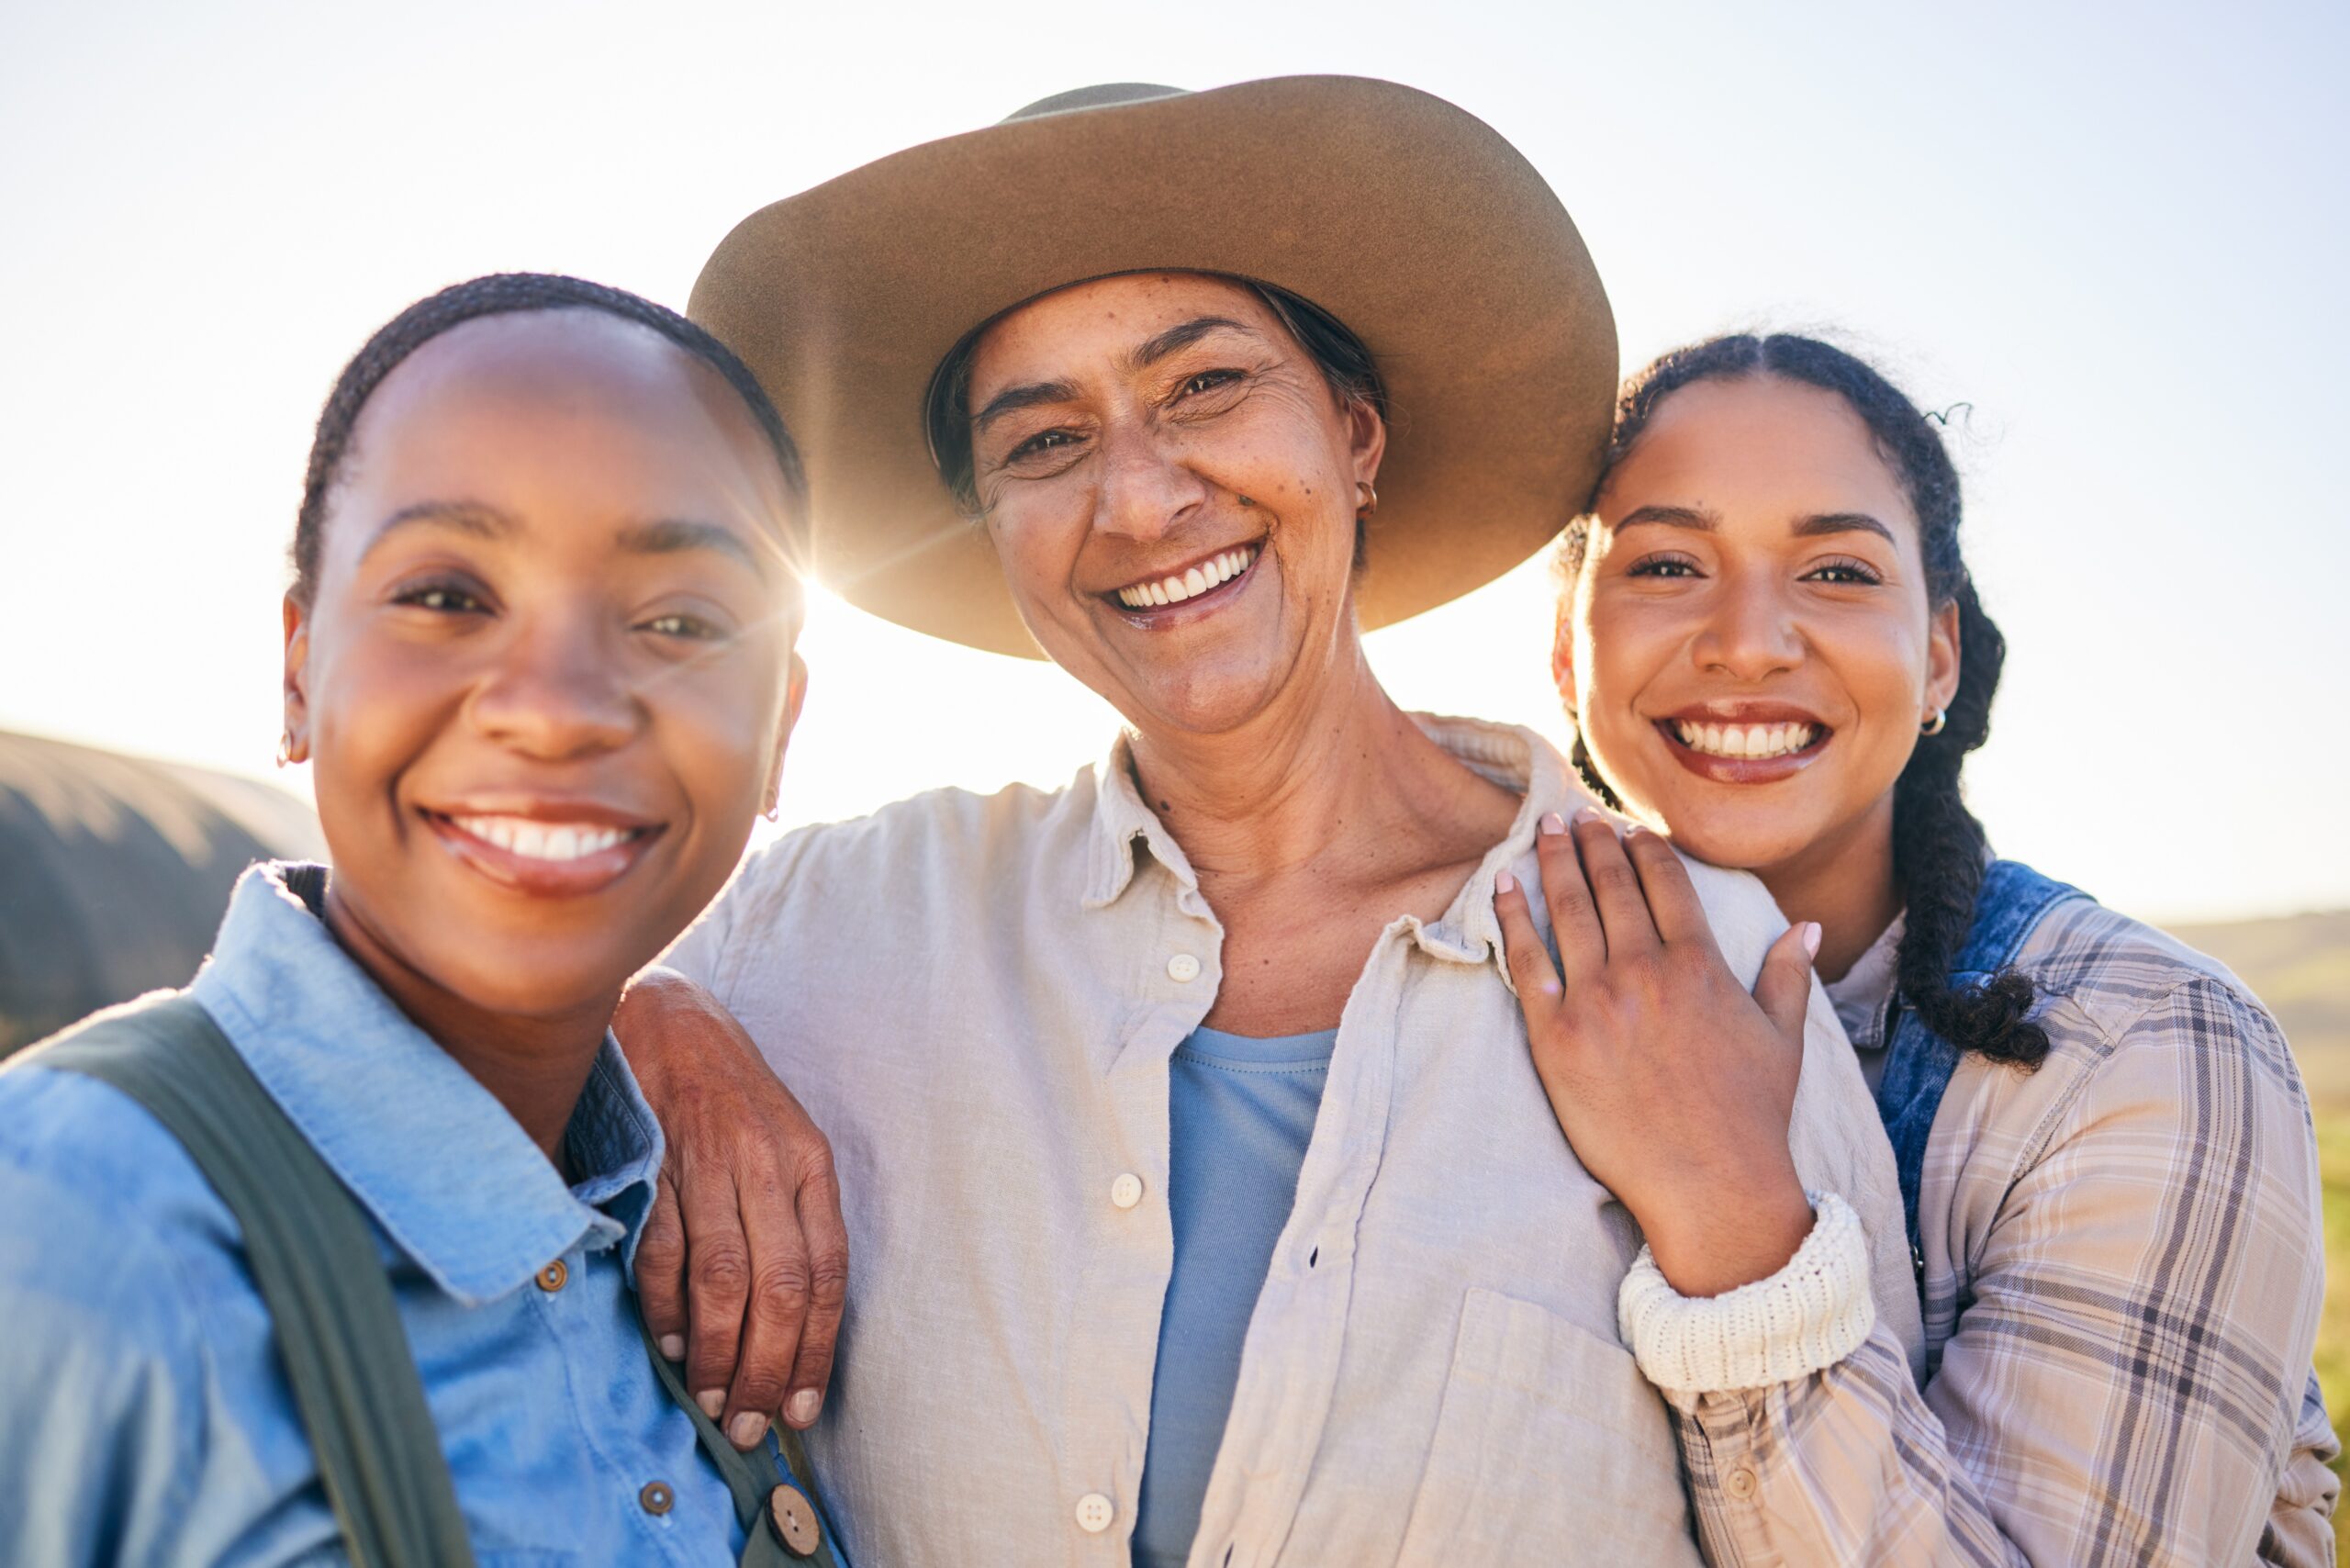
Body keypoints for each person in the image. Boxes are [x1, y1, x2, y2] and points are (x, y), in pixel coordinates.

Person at [617, 78, 1922, 1566]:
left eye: (1206, 390)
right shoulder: (829, 925)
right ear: (991, 521)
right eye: (1041, 444)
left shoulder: (1701, 961)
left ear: (1356, 439)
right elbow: (402, 1042)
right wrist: (642, 1017)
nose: (1140, 496)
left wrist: (1738, 1248)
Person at [0, 274, 847, 1564]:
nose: (559, 708)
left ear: (779, 729)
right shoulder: (68, 1222)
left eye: (681, 620)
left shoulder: (692, 1228)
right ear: (297, 673)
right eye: (447, 597)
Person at [1498, 331, 2335, 1564]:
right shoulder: (1471, 982)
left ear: (1938, 652)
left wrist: (1733, 1223)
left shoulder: (2141, 1049)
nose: (1750, 639)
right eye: (1668, 562)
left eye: (1835, 572)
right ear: (1570, 654)